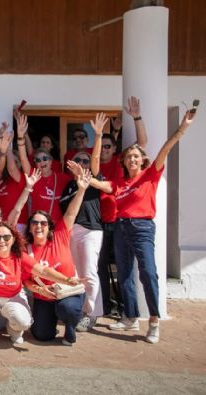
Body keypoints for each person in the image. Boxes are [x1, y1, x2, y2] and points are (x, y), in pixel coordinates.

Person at [90, 105, 197, 344]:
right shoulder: (119, 182)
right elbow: (100, 185)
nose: (132, 159)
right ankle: (130, 317)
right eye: (129, 157)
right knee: (125, 274)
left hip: (142, 228)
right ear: (125, 161)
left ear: (142, 160)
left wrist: (181, 129)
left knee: (148, 273)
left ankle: (154, 321)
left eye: (136, 156)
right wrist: (84, 177)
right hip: (120, 227)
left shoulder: (150, 175)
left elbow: (166, 149)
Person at [11, 167, 90, 346]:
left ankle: (70, 328)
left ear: (49, 227)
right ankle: (51, 321)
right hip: (44, 297)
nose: (39, 226)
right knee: (41, 335)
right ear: (29, 227)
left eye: (43, 223)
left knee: (67, 308)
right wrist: (40, 290)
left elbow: (71, 213)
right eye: (34, 223)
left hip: (68, 293)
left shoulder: (60, 236)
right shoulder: (25, 249)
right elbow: (27, 281)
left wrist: (82, 189)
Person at [91, 99, 148, 316]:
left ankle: (127, 310)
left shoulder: (120, 162)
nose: (104, 149)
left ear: (114, 149)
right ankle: (106, 307)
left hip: (120, 222)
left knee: (126, 269)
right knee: (101, 268)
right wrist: (99, 136)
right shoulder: (95, 164)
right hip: (99, 224)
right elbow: (94, 165)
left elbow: (141, 144)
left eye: (108, 146)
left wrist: (136, 117)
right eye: (101, 146)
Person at [60, 152, 103, 332]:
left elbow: (95, 161)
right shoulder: (69, 186)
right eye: (78, 160)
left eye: (85, 160)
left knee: (90, 273)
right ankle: (79, 310)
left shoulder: (93, 180)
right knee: (77, 273)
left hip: (90, 231)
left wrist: (99, 135)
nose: (82, 163)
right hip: (72, 231)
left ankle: (90, 313)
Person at [17, 113, 71, 224]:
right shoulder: (34, 176)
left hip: (57, 226)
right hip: (38, 226)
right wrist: (21, 138)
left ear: (51, 161)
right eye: (38, 160)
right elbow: (23, 159)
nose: (42, 162)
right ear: (35, 164)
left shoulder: (63, 178)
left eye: (45, 158)